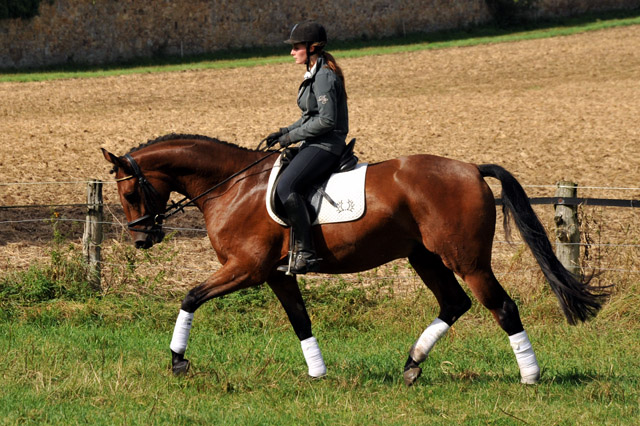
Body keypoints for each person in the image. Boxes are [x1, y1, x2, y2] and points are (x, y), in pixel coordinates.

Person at [265, 21, 349, 274]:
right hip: (315, 141)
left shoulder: (323, 76)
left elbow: (326, 121)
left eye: (296, 47)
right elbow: (309, 115)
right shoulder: (315, 70)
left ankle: (306, 252)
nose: (292, 52)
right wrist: (285, 131)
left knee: (287, 186)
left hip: (326, 144)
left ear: (312, 48)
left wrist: (289, 139)